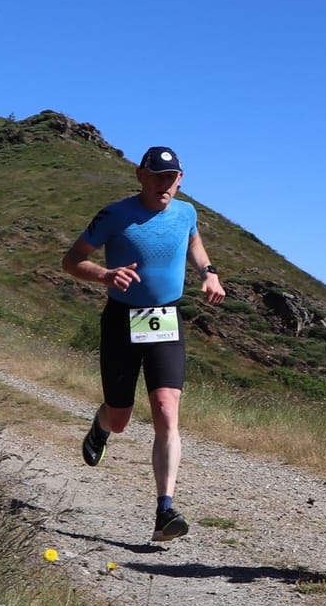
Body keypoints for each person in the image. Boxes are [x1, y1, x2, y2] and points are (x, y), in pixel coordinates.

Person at [61, 145, 226, 541]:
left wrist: (209, 272)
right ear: (140, 174)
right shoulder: (115, 215)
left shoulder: (186, 212)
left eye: (171, 179)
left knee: (167, 410)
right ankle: (100, 426)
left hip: (165, 318)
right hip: (122, 320)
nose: (163, 186)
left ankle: (165, 510)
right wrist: (104, 274)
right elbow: (72, 260)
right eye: (156, 177)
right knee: (120, 417)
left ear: (180, 180)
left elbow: (193, 242)